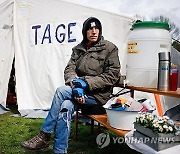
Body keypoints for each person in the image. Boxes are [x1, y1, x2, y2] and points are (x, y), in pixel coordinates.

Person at [21, 17, 120, 154]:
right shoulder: (78, 49)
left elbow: (112, 76)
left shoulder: (110, 48)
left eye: (96, 28)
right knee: (65, 106)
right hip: (77, 91)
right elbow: (69, 69)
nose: (94, 31)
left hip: (98, 96)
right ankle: (59, 150)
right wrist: (76, 87)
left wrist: (85, 84)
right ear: (85, 31)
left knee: (61, 91)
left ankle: (44, 135)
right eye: (90, 29)